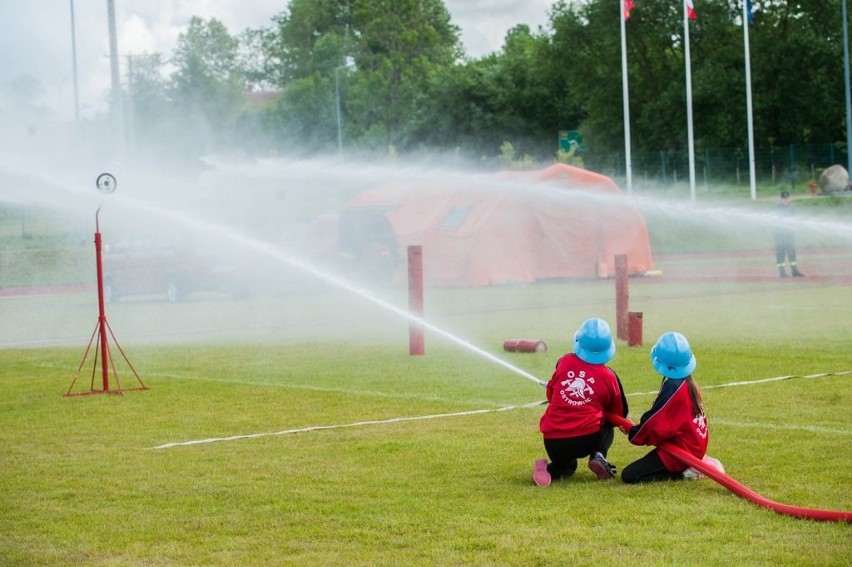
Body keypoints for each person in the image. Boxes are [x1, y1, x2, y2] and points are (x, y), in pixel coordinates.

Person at [534, 318, 629, 486]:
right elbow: (618, 413)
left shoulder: (564, 362)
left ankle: (554, 468)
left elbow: (551, 394)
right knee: (607, 424)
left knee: (567, 465)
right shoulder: (608, 376)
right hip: (588, 439)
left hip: (553, 441)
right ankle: (598, 455)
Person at [621, 332, 714, 483]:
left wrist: (634, 432)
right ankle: (694, 464)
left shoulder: (674, 387)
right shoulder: (686, 381)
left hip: (683, 451)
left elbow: (655, 422)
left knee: (630, 475)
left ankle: (688, 471)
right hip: (691, 445)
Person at [774, 191, 805, 277]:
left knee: (792, 252)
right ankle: (782, 272)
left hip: (790, 234)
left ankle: (794, 271)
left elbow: (795, 219)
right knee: (781, 253)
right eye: (783, 198)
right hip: (779, 234)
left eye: (787, 197)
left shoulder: (792, 208)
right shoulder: (776, 208)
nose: (785, 199)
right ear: (780, 198)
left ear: (789, 198)